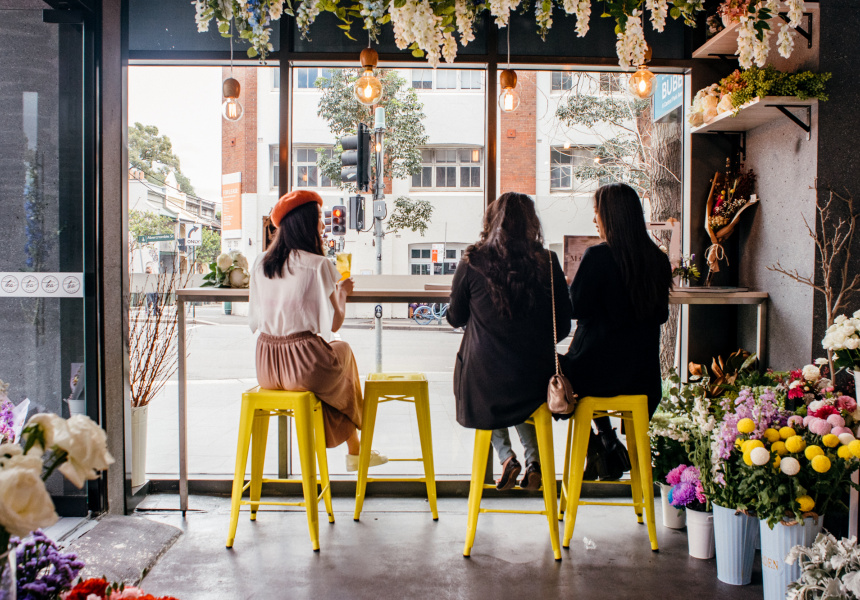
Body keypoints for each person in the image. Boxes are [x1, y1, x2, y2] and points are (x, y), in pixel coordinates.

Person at [248, 189, 387, 471]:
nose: (323, 228)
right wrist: (342, 293)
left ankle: (357, 450)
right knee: (342, 352)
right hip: (302, 366)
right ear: (306, 224)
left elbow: (257, 317)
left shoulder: (260, 263)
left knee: (324, 391)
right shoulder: (319, 265)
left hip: (266, 366)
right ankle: (356, 449)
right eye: (320, 221)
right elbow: (333, 326)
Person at [447, 192, 572, 490]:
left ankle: (506, 458)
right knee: (517, 388)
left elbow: (455, 317)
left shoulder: (473, 259)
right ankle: (534, 460)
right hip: (535, 380)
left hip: (484, 381)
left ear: (492, 221)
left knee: (486, 381)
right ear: (532, 224)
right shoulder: (548, 261)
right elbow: (564, 326)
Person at [561, 183, 673, 480]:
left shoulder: (597, 256)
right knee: (581, 371)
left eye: (596, 212)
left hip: (595, 375)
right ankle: (608, 442)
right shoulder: (658, 259)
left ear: (610, 216)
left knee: (552, 372)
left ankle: (603, 443)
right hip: (643, 379)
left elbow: (577, 310)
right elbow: (661, 315)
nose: (594, 220)